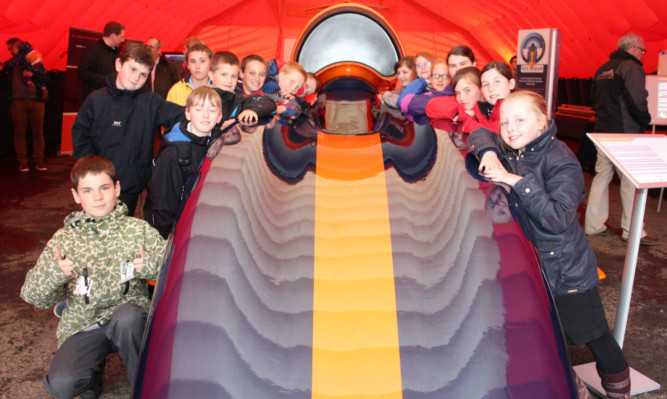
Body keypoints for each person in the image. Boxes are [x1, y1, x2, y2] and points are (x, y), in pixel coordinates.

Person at [468, 90, 631, 399]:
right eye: (504, 122)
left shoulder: (561, 160)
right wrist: (488, 153)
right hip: (534, 267)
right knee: (543, 333)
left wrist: (517, 182)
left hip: (566, 272)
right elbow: (477, 133)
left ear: (541, 122)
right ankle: (570, 385)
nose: (510, 128)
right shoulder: (512, 149)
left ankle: (619, 392)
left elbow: (557, 218)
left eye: (519, 120)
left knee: (595, 335)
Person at [20, 155, 166, 398]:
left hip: (126, 319)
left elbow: (172, 271)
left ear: (117, 189)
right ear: (76, 196)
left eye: (104, 188)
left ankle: (145, 387)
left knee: (130, 318)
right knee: (62, 385)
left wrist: (151, 266)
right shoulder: (64, 240)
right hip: (84, 324)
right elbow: (33, 296)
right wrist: (53, 274)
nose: (97, 197)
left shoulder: (137, 230)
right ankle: (91, 378)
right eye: (87, 191)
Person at [72, 42, 184, 216]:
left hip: (130, 185)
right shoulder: (96, 101)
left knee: (122, 231)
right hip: (99, 183)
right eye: (132, 69)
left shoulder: (150, 102)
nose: (136, 78)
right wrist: (92, 171)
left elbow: (180, 114)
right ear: (118, 64)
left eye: (143, 74)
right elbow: (81, 136)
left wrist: (212, 115)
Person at [584, 33, 657, 246]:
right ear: (634, 48)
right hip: (625, 133)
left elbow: (593, 100)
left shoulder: (602, 69)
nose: (642, 55)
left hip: (603, 130)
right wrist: (645, 120)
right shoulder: (631, 67)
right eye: (643, 51)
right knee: (629, 182)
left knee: (601, 176)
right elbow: (637, 100)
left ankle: (593, 225)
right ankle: (632, 230)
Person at [144, 87, 223, 238]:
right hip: (176, 228)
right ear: (188, 113)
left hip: (201, 221)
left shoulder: (219, 142)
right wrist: (166, 236)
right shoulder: (173, 152)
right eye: (199, 109)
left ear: (219, 117)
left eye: (212, 110)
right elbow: (162, 201)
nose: (205, 115)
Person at [2, 37, 50, 172]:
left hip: (36, 102)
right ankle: (22, 161)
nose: (11, 52)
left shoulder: (33, 58)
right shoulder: (11, 66)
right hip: (18, 103)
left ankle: (39, 160)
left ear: (17, 47)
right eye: (9, 50)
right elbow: (4, 84)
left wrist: (32, 76)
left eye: (11, 49)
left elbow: (46, 78)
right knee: (19, 133)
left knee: (38, 132)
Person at [77, 21, 125, 104]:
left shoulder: (115, 52)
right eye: (121, 37)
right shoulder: (93, 50)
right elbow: (82, 72)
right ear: (113, 36)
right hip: (95, 100)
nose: (123, 40)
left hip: (109, 99)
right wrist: (106, 80)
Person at [426, 66, 482, 131]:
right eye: (458, 93)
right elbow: (431, 106)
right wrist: (464, 113)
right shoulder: (460, 103)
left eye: (467, 90)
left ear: (481, 88)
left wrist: (476, 112)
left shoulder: (493, 110)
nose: (461, 98)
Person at [398, 60, 452, 124]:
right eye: (436, 76)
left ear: (450, 79)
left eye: (444, 76)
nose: (440, 80)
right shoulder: (428, 94)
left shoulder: (452, 96)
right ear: (431, 78)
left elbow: (408, 105)